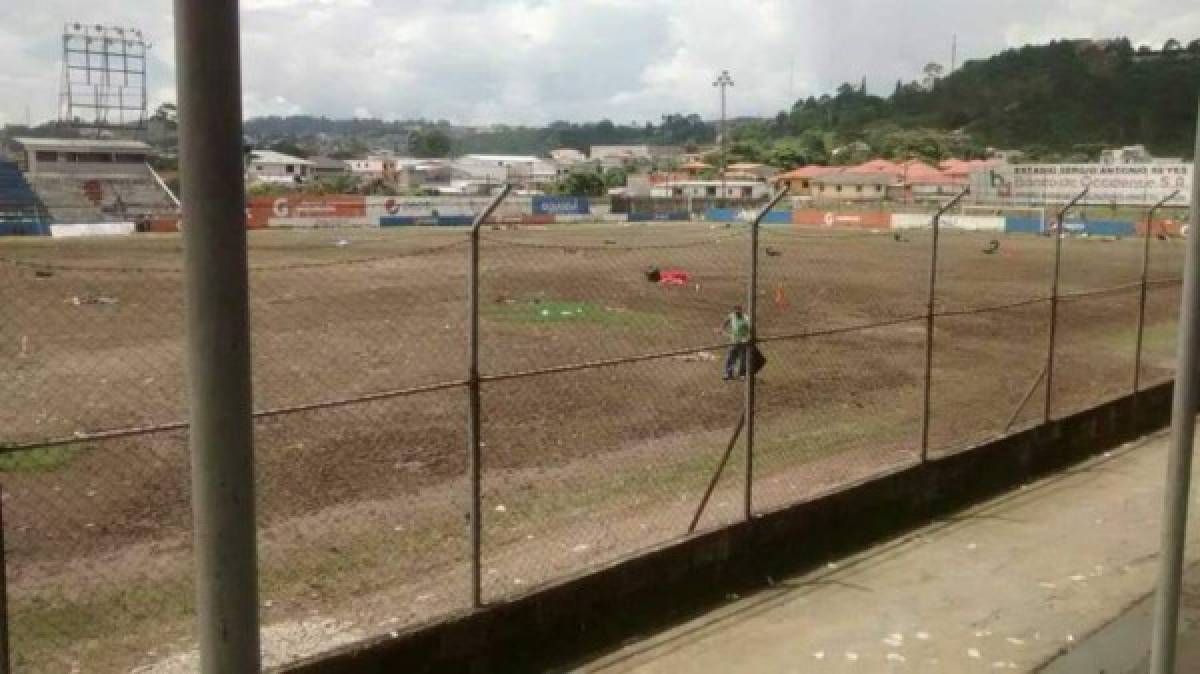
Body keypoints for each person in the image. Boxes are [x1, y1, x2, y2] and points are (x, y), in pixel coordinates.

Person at [722, 305, 751, 380]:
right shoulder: (732, 316)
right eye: (735, 312)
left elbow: (750, 329)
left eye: (738, 311)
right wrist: (722, 328)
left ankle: (742, 374)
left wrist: (748, 338)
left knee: (743, 359)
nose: (737, 313)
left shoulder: (746, 318)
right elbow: (726, 320)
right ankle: (728, 374)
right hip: (734, 341)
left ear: (741, 311)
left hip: (743, 342)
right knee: (730, 357)